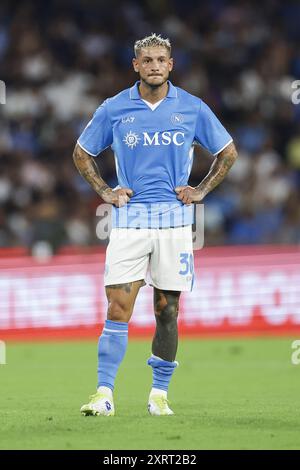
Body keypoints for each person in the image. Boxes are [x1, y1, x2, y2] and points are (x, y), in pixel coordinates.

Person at [73, 33, 237, 416]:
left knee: (167, 309)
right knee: (118, 307)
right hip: (129, 222)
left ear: (171, 65)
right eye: (147, 60)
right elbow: (81, 153)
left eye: (161, 59)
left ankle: (158, 395)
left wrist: (200, 190)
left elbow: (227, 153)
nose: (154, 66)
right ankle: (104, 393)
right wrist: (105, 190)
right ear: (136, 65)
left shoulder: (192, 108)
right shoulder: (114, 108)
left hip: (176, 224)